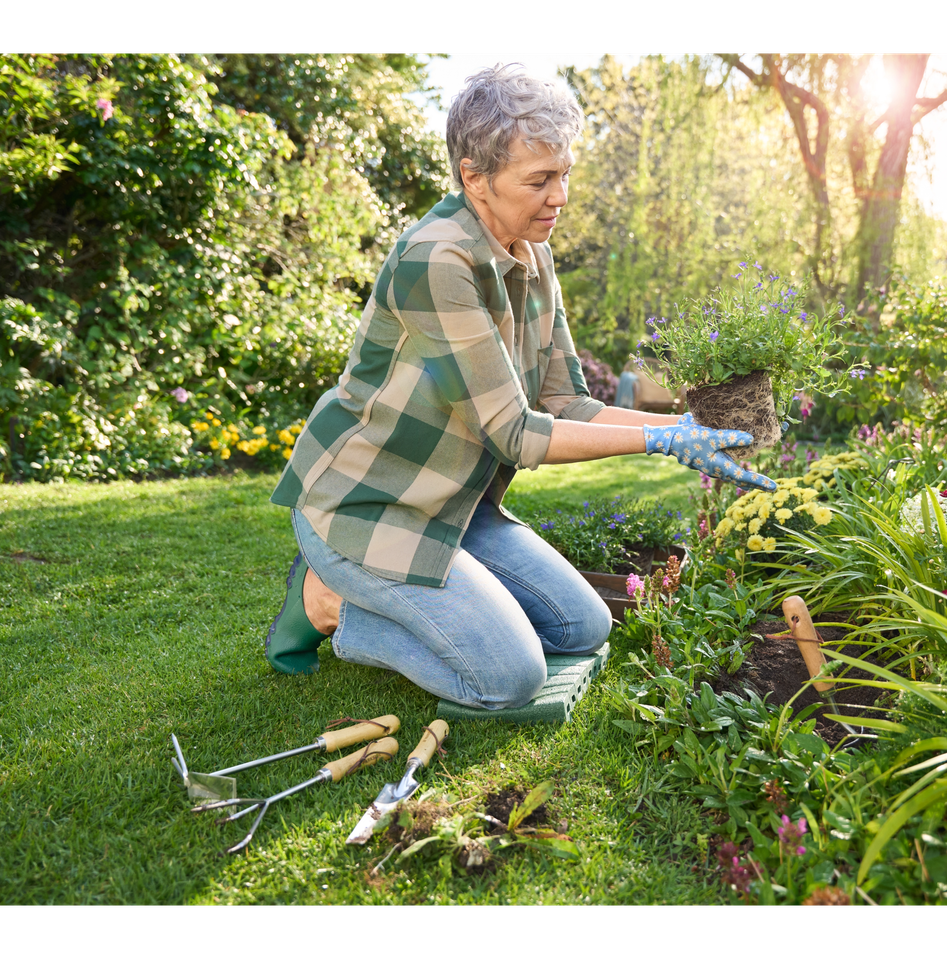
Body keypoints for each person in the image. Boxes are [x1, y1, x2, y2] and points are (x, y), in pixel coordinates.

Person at [263, 64, 775, 709]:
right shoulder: (436, 259)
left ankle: (393, 595)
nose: (559, 196)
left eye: (563, 175)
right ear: (474, 177)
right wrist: (656, 440)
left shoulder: (535, 252)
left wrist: (681, 432)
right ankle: (334, 605)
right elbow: (512, 432)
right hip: (368, 506)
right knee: (508, 680)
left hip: (455, 504)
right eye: (538, 180)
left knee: (581, 627)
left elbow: (565, 402)